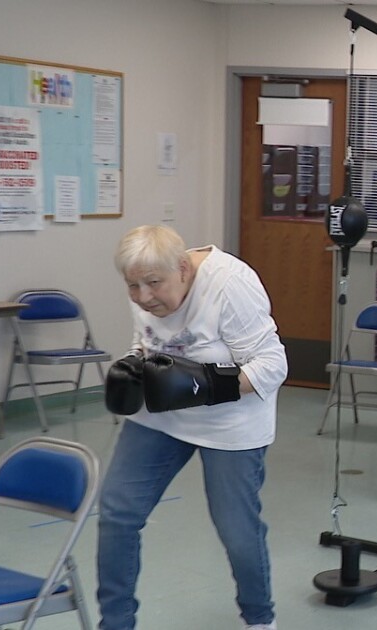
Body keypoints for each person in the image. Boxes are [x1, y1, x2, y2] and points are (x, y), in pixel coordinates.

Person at [100, 224, 287, 630]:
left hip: (231, 422)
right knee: (117, 512)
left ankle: (259, 619)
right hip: (160, 416)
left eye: (153, 284)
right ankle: (115, 623)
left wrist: (205, 386)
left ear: (184, 268)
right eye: (133, 286)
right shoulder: (146, 283)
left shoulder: (229, 284)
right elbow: (149, 337)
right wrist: (134, 361)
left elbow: (274, 366)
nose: (144, 296)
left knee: (237, 531)